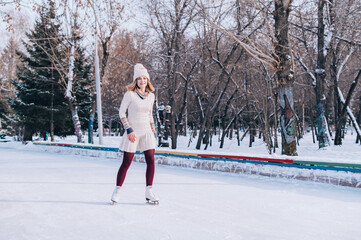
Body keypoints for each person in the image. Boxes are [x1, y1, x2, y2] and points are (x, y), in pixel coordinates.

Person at [111, 63, 159, 205]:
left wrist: (153, 132)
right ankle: (117, 190)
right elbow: (121, 113)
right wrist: (129, 129)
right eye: (139, 79)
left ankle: (149, 191)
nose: (142, 81)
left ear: (148, 80)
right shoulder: (130, 95)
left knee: (151, 160)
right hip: (133, 132)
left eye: (144, 78)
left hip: (147, 132)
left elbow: (150, 115)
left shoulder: (151, 97)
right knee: (127, 162)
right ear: (135, 81)